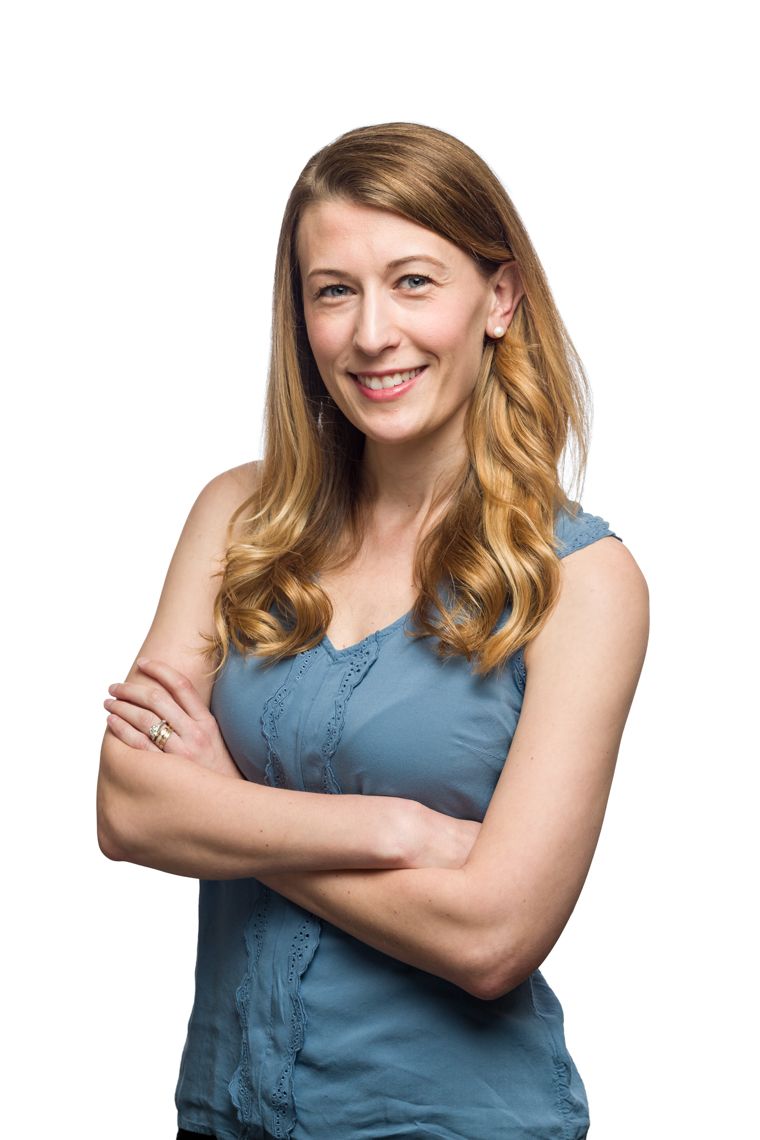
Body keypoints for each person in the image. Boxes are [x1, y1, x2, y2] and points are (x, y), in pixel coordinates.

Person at [97, 122, 649, 1140]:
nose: (371, 334)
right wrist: (390, 831)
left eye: (412, 282)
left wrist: (221, 809)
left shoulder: (582, 581)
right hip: (223, 1113)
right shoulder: (237, 520)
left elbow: (493, 935)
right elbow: (129, 810)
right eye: (334, 290)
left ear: (498, 297)